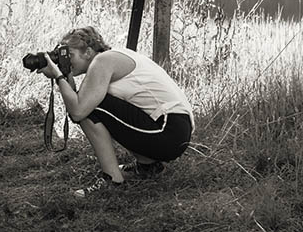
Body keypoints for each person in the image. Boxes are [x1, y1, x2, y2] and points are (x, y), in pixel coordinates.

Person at [37, 26, 194, 198]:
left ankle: (112, 181)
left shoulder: (102, 61)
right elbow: (77, 101)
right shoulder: (112, 57)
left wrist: (58, 76)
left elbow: (78, 111)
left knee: (91, 107)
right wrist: (64, 75)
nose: (65, 60)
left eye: (70, 55)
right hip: (174, 130)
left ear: (88, 52)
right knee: (90, 102)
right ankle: (148, 167)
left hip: (167, 131)